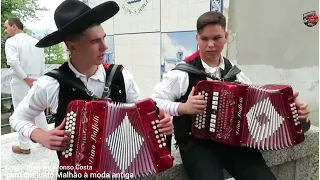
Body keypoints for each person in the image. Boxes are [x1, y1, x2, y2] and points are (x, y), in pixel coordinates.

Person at [9, 0, 173, 179]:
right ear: (72, 46)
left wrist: (159, 123)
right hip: (76, 173)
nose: (104, 47)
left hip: (123, 170)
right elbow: (18, 117)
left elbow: (140, 119)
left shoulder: (121, 77)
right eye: (95, 41)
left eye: (103, 38)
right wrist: (40, 135)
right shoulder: (51, 83)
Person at [151, 11, 311, 180]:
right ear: (197, 38)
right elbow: (154, 101)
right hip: (196, 144)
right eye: (205, 39)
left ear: (225, 37)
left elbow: (257, 105)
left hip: (234, 143)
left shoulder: (235, 73)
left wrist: (294, 114)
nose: (211, 44)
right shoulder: (182, 73)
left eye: (217, 38)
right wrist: (183, 107)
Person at [4, 17, 48, 154]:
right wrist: (38, 79)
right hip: (37, 80)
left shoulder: (11, 41)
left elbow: (13, 62)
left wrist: (26, 78)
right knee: (39, 109)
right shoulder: (36, 41)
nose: (5, 31)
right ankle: (45, 139)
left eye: (6, 27)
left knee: (20, 113)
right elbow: (42, 62)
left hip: (21, 81)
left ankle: (24, 146)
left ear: (14, 27)